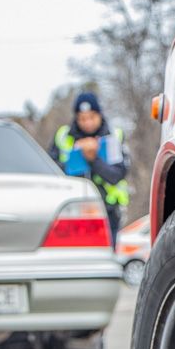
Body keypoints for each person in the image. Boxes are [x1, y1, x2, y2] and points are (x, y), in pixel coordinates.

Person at [49, 91, 130, 247]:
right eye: (82, 118)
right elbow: (52, 171)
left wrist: (93, 159)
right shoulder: (63, 137)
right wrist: (78, 156)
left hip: (107, 209)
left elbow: (116, 175)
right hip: (72, 210)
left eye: (92, 117)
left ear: (99, 114)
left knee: (107, 256)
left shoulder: (114, 137)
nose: (87, 123)